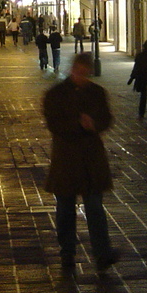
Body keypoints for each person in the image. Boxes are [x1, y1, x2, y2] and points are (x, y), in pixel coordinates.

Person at [42, 52, 119, 270]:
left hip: (91, 160)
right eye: (79, 72)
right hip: (66, 159)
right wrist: (79, 124)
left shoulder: (97, 93)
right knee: (65, 208)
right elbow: (53, 123)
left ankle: (102, 253)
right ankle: (67, 252)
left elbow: (106, 118)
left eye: (86, 73)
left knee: (95, 208)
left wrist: (94, 124)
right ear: (72, 69)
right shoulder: (56, 94)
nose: (82, 76)